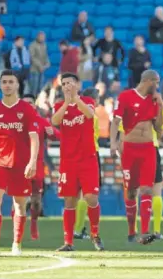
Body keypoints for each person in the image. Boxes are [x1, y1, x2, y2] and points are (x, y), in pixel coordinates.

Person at [0, 70, 39, 256]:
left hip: (21, 164)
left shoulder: (27, 109)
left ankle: (16, 244)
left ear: (17, 85)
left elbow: (34, 138)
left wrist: (32, 162)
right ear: (0, 85)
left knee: (19, 204)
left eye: (11, 81)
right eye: (4, 82)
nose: (8, 85)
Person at [109, 70, 163, 244]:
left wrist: (160, 107)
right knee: (131, 192)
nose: (158, 86)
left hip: (148, 149)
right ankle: (131, 230)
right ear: (148, 81)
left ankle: (145, 231)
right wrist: (112, 142)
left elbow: (159, 130)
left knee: (147, 189)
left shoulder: (154, 100)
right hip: (130, 150)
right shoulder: (126, 97)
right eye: (156, 82)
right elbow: (116, 121)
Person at [51, 73, 104, 252]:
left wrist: (75, 98)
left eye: (70, 83)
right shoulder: (59, 105)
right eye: (64, 83)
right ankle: (68, 242)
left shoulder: (88, 100)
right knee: (69, 201)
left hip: (88, 158)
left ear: (78, 84)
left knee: (91, 197)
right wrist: (67, 102)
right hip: (68, 160)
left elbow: (89, 114)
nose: (66, 86)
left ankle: (95, 234)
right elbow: (54, 121)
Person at [22, 94, 60, 241]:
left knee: (36, 200)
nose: (28, 105)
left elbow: (57, 136)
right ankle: (16, 232)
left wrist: (54, 134)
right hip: (18, 166)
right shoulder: (14, 122)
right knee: (18, 200)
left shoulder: (41, 122)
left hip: (37, 167)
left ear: (34, 105)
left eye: (30, 103)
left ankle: (33, 224)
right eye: (25, 103)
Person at [73, 88, 103, 240]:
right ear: (94, 99)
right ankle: (81, 229)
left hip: (76, 155)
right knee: (89, 195)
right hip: (91, 154)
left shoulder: (76, 114)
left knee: (79, 194)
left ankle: (78, 229)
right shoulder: (93, 116)